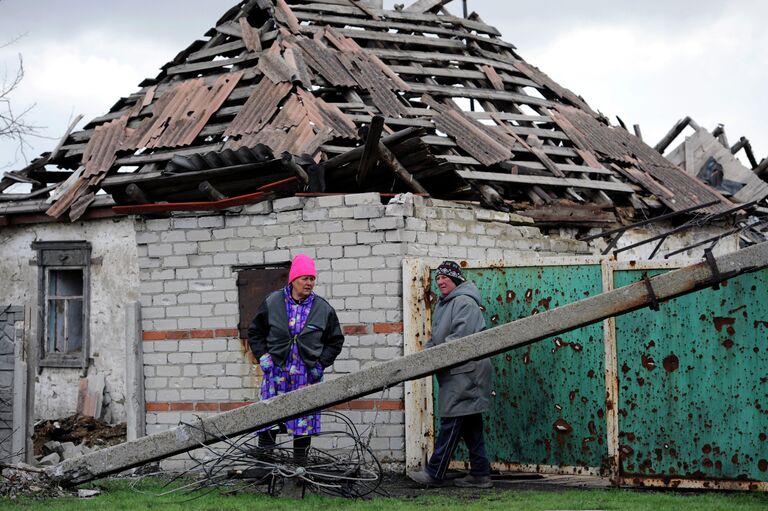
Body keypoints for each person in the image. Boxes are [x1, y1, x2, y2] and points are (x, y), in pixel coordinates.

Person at [247, 253, 344, 464]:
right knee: (268, 419)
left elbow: (335, 341)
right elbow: (255, 333)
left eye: (312, 278)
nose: (309, 283)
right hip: (276, 373)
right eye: (305, 278)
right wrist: (263, 356)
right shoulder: (273, 302)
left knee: (303, 423)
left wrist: (321, 364)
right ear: (293, 280)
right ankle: (265, 467)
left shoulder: (322, 308)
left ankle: (300, 468)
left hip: (305, 375)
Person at [408, 260, 494, 489]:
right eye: (437, 278)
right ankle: (480, 474)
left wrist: (435, 357)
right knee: (470, 424)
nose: (440, 281)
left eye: (445, 277)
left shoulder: (464, 302)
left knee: (452, 422)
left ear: (456, 278)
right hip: (457, 370)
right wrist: (424, 356)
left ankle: (435, 472)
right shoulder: (445, 304)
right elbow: (438, 339)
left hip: (467, 369)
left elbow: (461, 339)